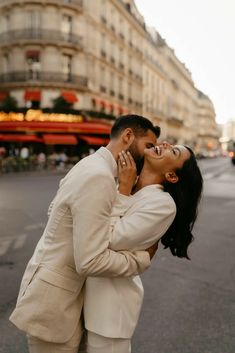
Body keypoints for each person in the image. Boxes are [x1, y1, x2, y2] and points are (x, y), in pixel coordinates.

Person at [9, 115, 160, 353]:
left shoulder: (90, 164)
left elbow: (55, 212)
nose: (151, 153)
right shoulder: (99, 177)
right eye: (148, 146)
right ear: (128, 136)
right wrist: (140, 259)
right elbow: (90, 260)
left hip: (59, 296)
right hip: (56, 305)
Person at [82, 142, 203, 353]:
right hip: (82, 302)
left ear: (172, 177)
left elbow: (108, 239)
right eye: (169, 144)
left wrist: (124, 191)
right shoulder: (126, 179)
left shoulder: (163, 204)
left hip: (109, 314)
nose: (164, 144)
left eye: (173, 151)